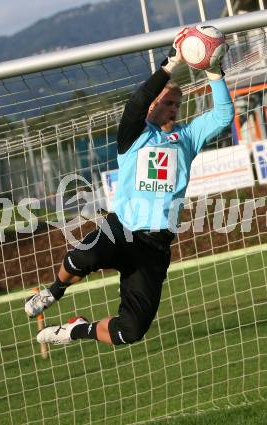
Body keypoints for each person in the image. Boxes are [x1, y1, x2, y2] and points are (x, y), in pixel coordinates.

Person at [26, 27, 234, 346]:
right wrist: (172, 64)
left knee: (130, 332)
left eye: (178, 102)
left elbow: (222, 116)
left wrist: (215, 74)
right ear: (152, 104)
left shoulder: (187, 138)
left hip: (155, 246)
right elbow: (137, 102)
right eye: (167, 101)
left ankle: (75, 329)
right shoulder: (133, 136)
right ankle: (54, 291)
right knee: (82, 259)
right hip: (120, 229)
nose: (173, 106)